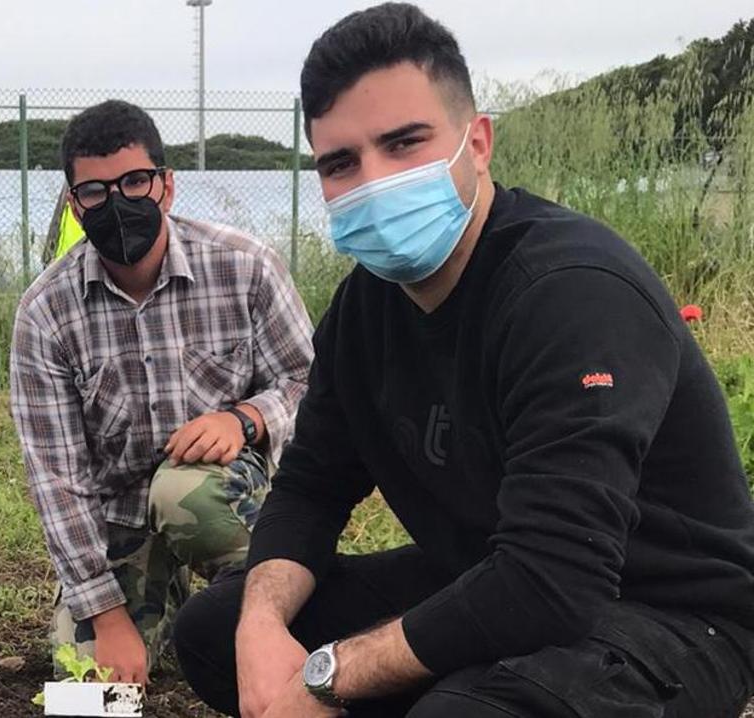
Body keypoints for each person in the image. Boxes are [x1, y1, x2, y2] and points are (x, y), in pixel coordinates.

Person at [173, 4, 754, 717]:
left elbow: (555, 577)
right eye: (340, 162)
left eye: (405, 143)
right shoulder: (364, 310)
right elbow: (310, 489)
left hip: (671, 615)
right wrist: (262, 631)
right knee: (215, 633)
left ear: (477, 142)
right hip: (489, 572)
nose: (375, 182)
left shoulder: (570, 294)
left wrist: (328, 673)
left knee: (462, 711)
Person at [10, 99, 314, 685]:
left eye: (134, 182)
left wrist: (246, 419)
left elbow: (312, 384)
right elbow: (57, 481)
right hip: (117, 516)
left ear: (166, 186)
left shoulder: (245, 268)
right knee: (87, 680)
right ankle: (157, 596)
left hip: (226, 492)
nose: (117, 202)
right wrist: (104, 614)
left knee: (186, 498)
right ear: (75, 204)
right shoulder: (45, 313)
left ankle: (264, 601)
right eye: (95, 191)